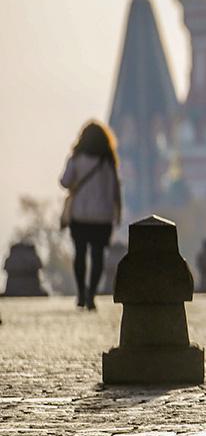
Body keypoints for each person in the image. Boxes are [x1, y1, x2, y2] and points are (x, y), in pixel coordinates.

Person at [59, 120, 122, 311]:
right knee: (97, 257)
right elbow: (114, 190)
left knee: (80, 254)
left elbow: (64, 182)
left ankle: (81, 293)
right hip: (102, 217)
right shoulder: (108, 161)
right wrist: (116, 213)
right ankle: (91, 295)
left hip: (80, 215)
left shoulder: (76, 158)